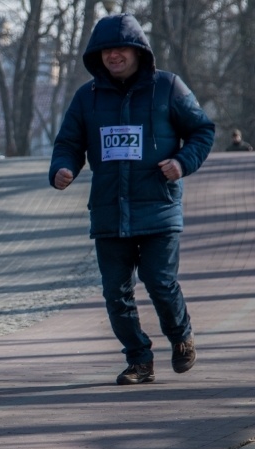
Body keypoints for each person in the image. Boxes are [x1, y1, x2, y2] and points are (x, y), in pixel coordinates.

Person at [48, 13, 215, 385]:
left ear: (139, 51)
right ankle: (139, 358)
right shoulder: (86, 97)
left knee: (159, 281)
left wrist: (182, 162)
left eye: (121, 48)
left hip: (158, 207)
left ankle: (181, 336)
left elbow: (203, 130)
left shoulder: (168, 87)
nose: (114, 55)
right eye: (106, 50)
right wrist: (63, 168)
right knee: (116, 293)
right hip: (109, 211)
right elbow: (69, 143)